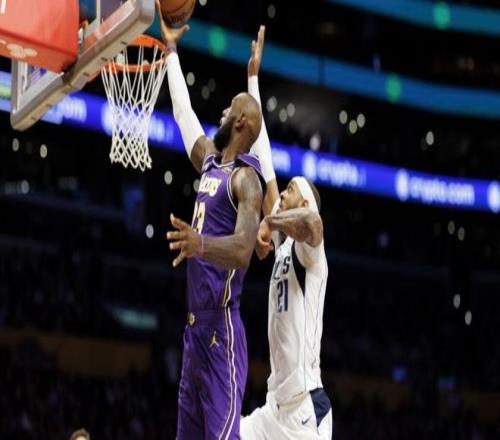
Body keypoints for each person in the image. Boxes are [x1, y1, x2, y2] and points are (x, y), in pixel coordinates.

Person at [156, 3, 266, 439]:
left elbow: (243, 251)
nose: (220, 114)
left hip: (223, 331)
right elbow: (183, 116)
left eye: (227, 110)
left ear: (240, 122)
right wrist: (170, 51)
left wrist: (200, 244)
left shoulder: (246, 180)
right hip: (194, 331)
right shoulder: (209, 163)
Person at [240, 26, 333, 439]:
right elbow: (264, 160)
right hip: (273, 409)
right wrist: (253, 80)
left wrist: (270, 221)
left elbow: (313, 224)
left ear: (305, 202)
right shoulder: (283, 246)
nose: (283, 193)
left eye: (291, 189)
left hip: (304, 413)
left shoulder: (310, 252)